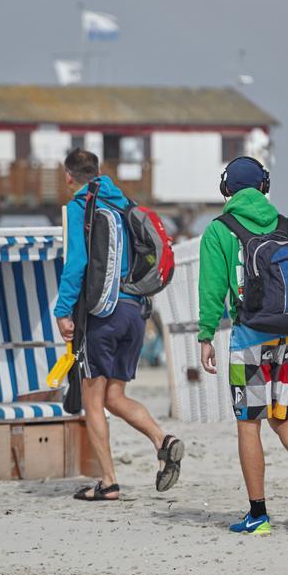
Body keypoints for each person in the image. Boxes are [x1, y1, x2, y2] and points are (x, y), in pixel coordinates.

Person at [198, 156, 288, 535]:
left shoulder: (220, 230)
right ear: (264, 186)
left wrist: (205, 335)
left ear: (226, 190)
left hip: (250, 335)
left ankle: (258, 515)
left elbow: (212, 289)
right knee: (281, 415)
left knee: (249, 423)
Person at [54, 148, 184, 501]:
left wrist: (63, 311)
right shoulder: (125, 203)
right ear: (98, 171)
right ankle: (164, 440)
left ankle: (108, 482)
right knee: (114, 396)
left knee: (92, 401)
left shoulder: (80, 208)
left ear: (68, 176)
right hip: (135, 313)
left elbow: (76, 265)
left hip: (104, 314)